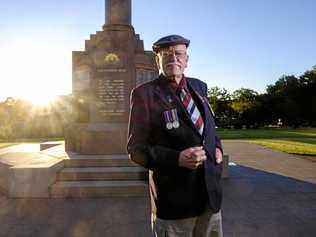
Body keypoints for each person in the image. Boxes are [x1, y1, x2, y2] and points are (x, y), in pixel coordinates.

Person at [127, 35, 224, 237]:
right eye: (166, 54)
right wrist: (177, 158)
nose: (174, 58)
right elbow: (136, 150)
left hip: (210, 199)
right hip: (176, 205)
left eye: (179, 54)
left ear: (186, 60)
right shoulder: (144, 94)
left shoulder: (200, 87)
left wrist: (217, 148)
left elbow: (209, 128)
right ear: (157, 60)